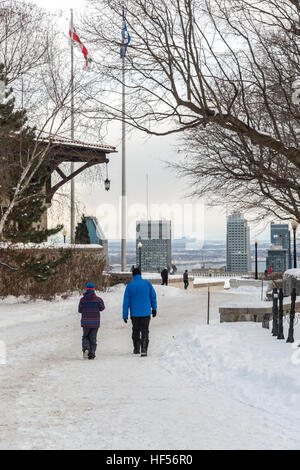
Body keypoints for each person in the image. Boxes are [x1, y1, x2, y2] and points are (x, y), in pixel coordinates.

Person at [122, 267, 157, 357]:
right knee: (145, 330)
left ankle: (137, 348)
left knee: (136, 330)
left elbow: (126, 301)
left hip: (135, 314)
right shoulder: (147, 283)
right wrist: (154, 309)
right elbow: (153, 296)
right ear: (140, 274)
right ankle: (144, 349)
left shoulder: (130, 285)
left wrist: (125, 315)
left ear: (133, 275)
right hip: (145, 313)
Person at [78, 282, 105, 360]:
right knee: (93, 338)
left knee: (85, 336)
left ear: (86, 289)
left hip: (85, 323)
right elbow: (102, 308)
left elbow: (80, 310)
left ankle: (86, 348)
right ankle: (92, 353)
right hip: (95, 323)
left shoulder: (82, 300)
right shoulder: (98, 299)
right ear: (94, 290)